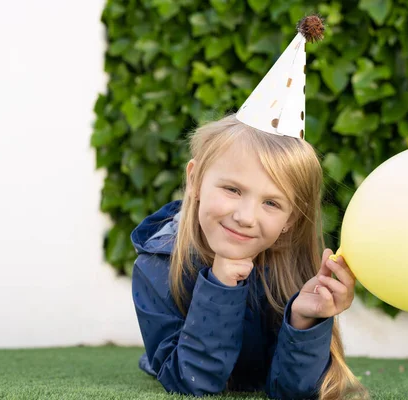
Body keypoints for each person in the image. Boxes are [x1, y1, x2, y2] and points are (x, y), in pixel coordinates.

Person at [131, 15, 368, 400]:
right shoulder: (157, 265)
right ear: (194, 180)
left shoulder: (293, 265)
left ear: (291, 218)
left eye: (272, 202)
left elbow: (290, 391)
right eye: (232, 189)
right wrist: (222, 282)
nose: (245, 216)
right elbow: (191, 383)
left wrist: (305, 319)